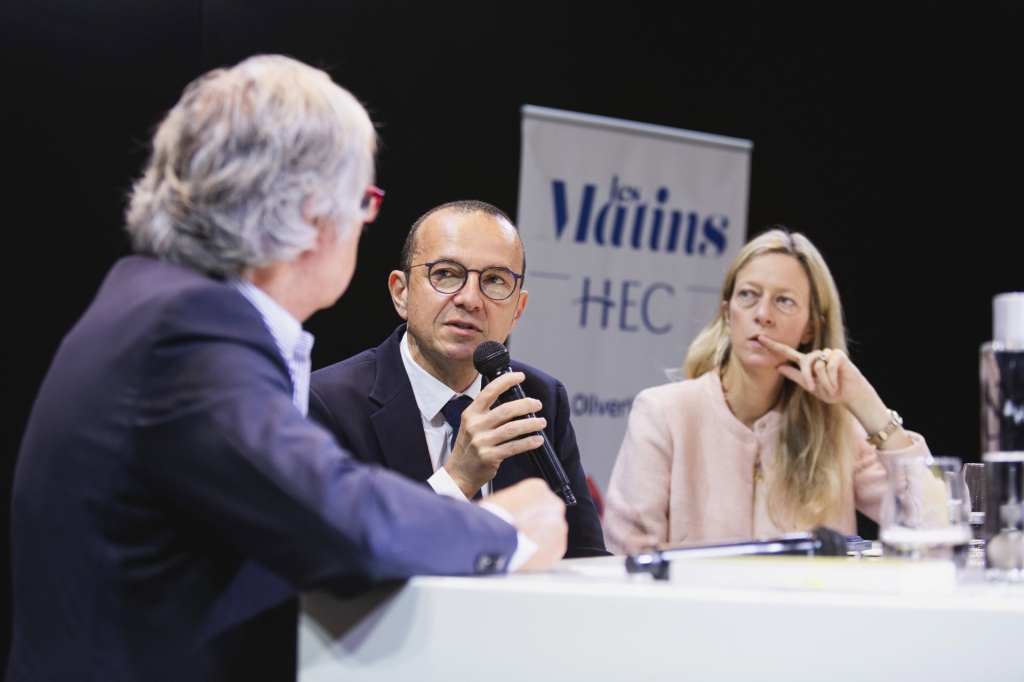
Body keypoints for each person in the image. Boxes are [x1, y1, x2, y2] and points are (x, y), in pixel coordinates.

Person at [7, 55, 567, 682]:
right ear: (311, 213)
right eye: (364, 201)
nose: (363, 222)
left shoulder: (151, 300)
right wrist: (501, 531)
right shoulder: (186, 332)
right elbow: (333, 515)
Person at [604, 227, 942, 555]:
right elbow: (628, 559)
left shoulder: (837, 427)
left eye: (784, 301)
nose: (763, 314)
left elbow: (936, 530)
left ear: (810, 328)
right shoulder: (663, 413)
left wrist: (867, 404)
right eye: (748, 295)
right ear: (728, 313)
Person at [309, 200, 606, 557]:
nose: (470, 299)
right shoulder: (329, 403)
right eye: (446, 274)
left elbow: (585, 556)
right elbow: (334, 559)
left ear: (518, 310)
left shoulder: (538, 398)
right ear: (401, 292)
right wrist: (458, 479)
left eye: (494, 280)